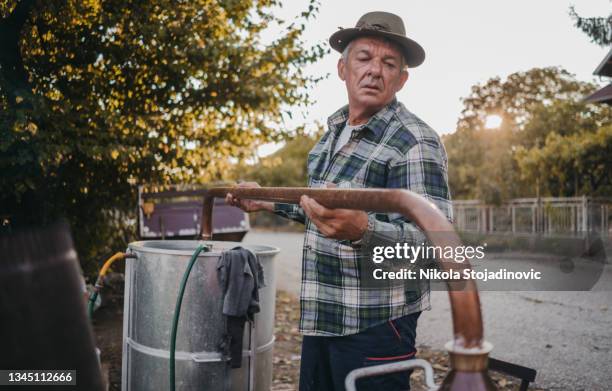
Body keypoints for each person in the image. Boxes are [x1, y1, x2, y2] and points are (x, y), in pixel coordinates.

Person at [226, 11, 452, 391]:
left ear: (402, 78)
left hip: (377, 325)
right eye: (364, 58)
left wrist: (365, 231)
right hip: (324, 315)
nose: (375, 71)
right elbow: (324, 211)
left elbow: (438, 245)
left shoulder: (414, 141)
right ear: (342, 68)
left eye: (388, 63)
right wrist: (264, 200)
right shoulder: (333, 132)